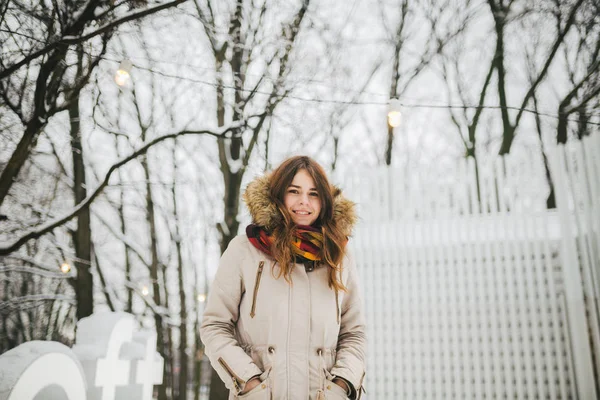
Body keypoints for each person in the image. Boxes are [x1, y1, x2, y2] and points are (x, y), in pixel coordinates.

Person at [200, 156, 366, 399]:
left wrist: (342, 385)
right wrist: (249, 383)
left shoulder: (338, 255)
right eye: (294, 191)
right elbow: (215, 325)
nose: (303, 202)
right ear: (278, 194)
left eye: (313, 193)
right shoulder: (244, 250)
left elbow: (354, 332)